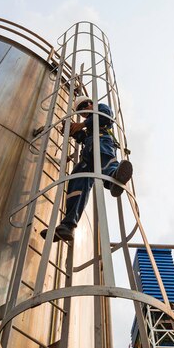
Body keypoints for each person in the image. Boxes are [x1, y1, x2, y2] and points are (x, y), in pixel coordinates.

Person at [41, 96, 133, 242]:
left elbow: (106, 117)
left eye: (84, 106)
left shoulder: (100, 108)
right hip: (88, 154)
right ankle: (67, 225)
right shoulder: (87, 126)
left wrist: (82, 124)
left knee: (104, 158)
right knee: (76, 180)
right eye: (79, 111)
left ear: (91, 103)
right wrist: (72, 130)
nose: (82, 111)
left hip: (102, 141)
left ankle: (115, 177)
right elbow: (83, 137)